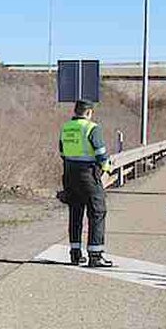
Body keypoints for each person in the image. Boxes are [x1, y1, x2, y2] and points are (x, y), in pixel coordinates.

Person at [59, 101, 113, 268]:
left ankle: (75, 254)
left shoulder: (66, 127)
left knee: (75, 212)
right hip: (87, 174)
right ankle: (95, 255)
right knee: (97, 212)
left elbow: (62, 151)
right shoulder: (92, 128)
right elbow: (100, 152)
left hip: (69, 173)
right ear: (89, 112)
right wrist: (106, 168)